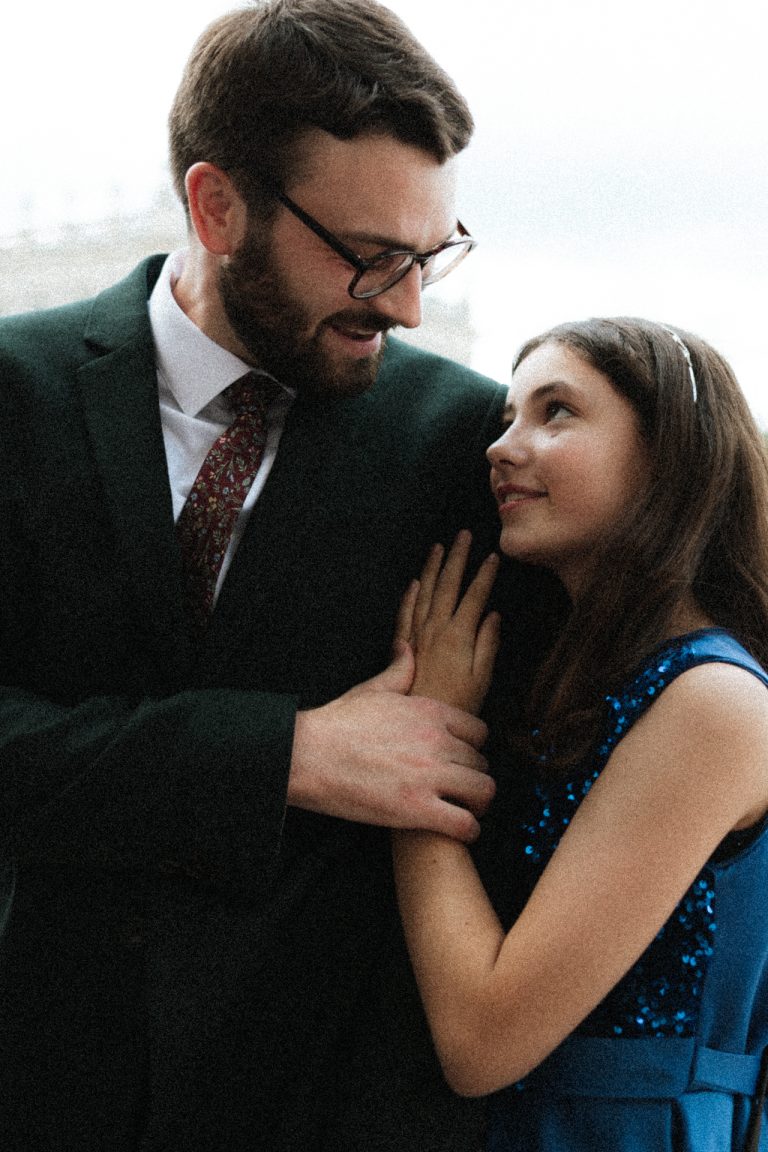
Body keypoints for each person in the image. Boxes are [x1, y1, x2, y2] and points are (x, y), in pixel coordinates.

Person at [0, 2, 554, 1148]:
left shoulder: (472, 450)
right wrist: (287, 754)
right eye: (369, 257)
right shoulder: (14, 395)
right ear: (216, 206)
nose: (407, 305)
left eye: (431, 254)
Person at [392, 317, 768, 1151]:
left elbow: (481, 1040)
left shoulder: (714, 701)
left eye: (555, 412)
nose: (503, 447)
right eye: (506, 419)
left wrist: (422, 748)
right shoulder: (614, 683)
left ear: (673, 458)